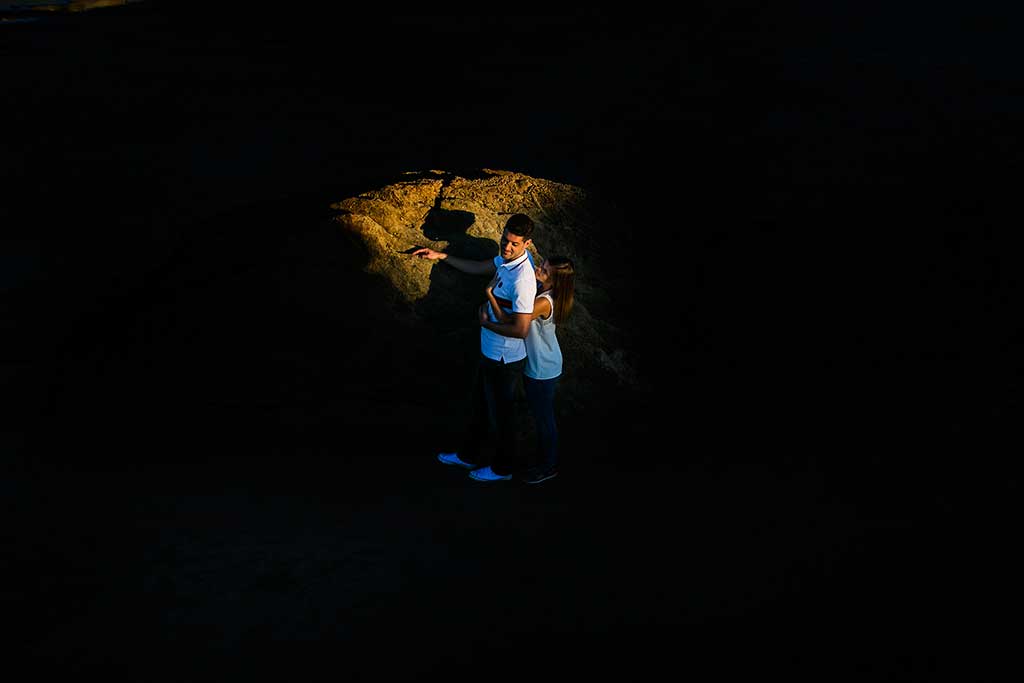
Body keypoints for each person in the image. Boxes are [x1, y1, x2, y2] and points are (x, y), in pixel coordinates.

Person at [411, 213, 537, 482]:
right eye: (505, 240)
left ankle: (503, 469)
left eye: (515, 243)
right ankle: (468, 455)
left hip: (504, 358)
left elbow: (521, 329)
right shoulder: (506, 260)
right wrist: (441, 256)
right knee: (480, 408)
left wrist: (485, 323)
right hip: (490, 352)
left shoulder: (523, 281)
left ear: (527, 243)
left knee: (503, 416)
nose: (507, 247)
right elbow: (480, 267)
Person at [481, 255, 575, 484]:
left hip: (542, 368)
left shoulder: (543, 302)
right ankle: (543, 461)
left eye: (543, 270)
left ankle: (548, 466)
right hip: (544, 362)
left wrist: (490, 297)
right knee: (541, 416)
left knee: (544, 419)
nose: (537, 269)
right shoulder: (545, 292)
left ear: (554, 281)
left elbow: (510, 321)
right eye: (540, 265)